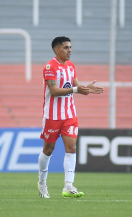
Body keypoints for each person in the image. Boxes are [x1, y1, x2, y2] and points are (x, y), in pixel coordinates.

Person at [38, 36, 104, 198]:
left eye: (70, 47)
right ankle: (42, 182)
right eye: (66, 48)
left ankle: (68, 185)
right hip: (52, 116)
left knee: (72, 148)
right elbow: (54, 91)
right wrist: (76, 90)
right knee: (48, 150)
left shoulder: (71, 66)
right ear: (57, 49)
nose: (70, 51)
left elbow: (75, 85)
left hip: (69, 114)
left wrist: (85, 88)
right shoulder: (50, 67)